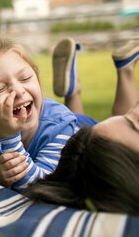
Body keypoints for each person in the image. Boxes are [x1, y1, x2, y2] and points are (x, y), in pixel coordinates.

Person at [0, 34, 87, 192]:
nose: (18, 91)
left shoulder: (61, 126)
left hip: (84, 131)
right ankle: (71, 90)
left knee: (120, 137)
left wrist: (7, 137)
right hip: (61, 122)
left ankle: (123, 71)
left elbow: (41, 187)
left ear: (36, 77)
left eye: (25, 78)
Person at [25, 38, 139, 215]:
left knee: (77, 127)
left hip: (70, 130)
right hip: (71, 131)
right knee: (77, 127)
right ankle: (74, 90)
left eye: (135, 122)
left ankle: (124, 71)